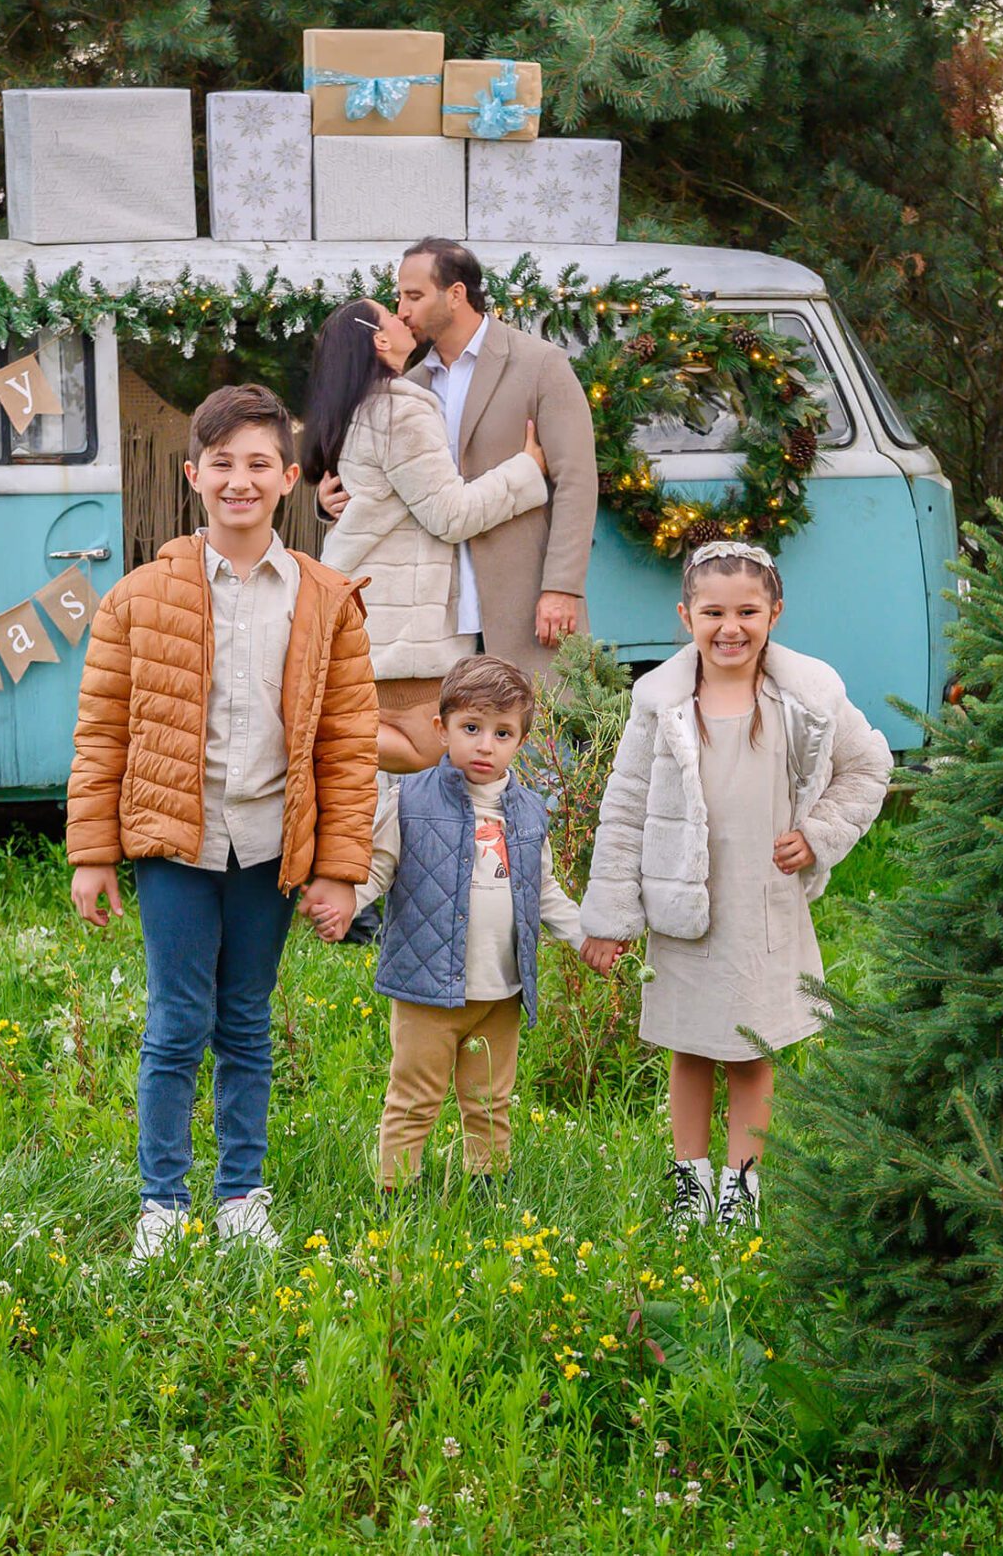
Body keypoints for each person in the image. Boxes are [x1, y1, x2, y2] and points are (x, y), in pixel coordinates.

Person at [65, 384, 378, 1268]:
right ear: (193, 473)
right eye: (222, 465)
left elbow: (350, 745)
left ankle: (242, 1194)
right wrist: (93, 854)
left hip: (272, 846)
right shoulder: (138, 597)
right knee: (176, 1021)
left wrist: (340, 868)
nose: (239, 482)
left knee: (245, 1020)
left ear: (287, 478)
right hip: (175, 842)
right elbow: (103, 731)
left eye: (258, 466)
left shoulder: (326, 600)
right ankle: (161, 1203)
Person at [579, 542, 892, 1231]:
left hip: (763, 904)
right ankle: (688, 1186)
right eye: (713, 611)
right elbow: (626, 808)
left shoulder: (807, 700)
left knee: (753, 1051)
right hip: (686, 906)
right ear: (685, 615)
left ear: (774, 613)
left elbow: (869, 768)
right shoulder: (660, 704)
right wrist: (608, 916)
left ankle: (740, 1191)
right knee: (690, 1049)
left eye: (747, 611)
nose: (731, 627)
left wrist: (819, 833)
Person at [310, 654, 599, 1191]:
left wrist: (585, 938)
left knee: (489, 1101)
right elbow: (376, 867)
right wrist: (347, 902)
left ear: (521, 740)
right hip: (426, 993)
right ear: (442, 729)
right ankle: (394, 1196)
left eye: (502, 732)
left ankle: (485, 1189)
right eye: (471, 728)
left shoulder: (530, 812)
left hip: (501, 992)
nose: (485, 745)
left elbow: (544, 892)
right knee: (415, 1097)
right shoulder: (409, 801)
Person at [317, 237, 597, 676]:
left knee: (543, 739)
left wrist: (562, 587)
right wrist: (330, 498)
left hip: (522, 600)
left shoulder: (539, 364)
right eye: (398, 299)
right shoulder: (407, 385)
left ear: (456, 294)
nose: (403, 310)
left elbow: (577, 481)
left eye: (414, 296)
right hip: (435, 626)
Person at [304, 298, 551, 773]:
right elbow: (450, 514)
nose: (404, 315)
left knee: (375, 791)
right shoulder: (399, 410)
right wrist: (525, 472)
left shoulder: (356, 407)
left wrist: (323, 505)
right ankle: (307, 731)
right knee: (429, 755)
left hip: (364, 621)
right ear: (379, 339)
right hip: (404, 641)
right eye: (392, 315)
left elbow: (369, 500)